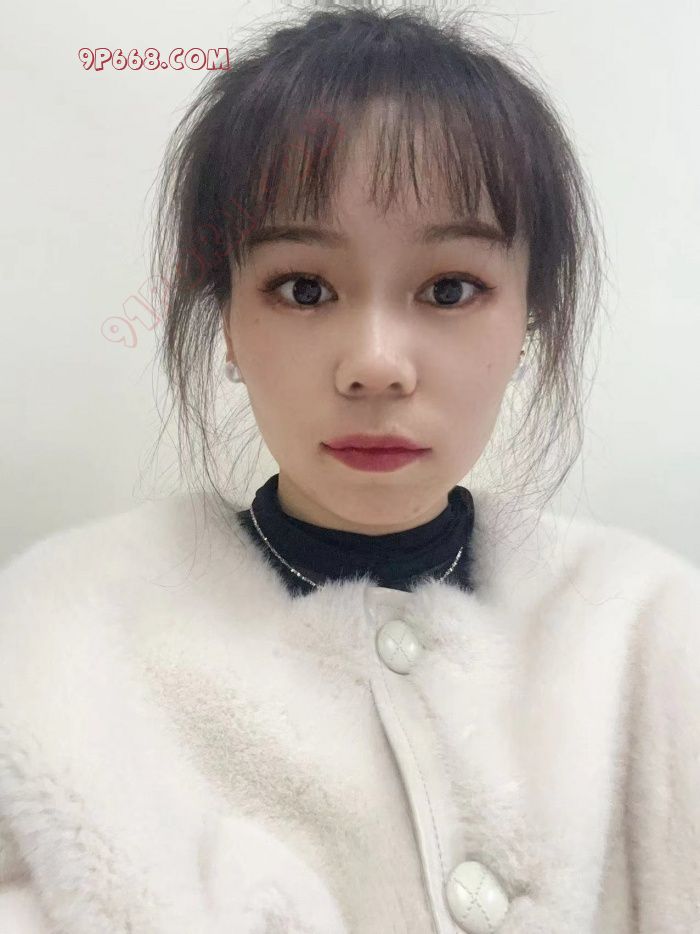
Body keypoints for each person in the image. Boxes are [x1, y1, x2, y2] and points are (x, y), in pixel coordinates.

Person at [1, 2, 698, 932]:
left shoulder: (651, 634)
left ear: (529, 319)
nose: (375, 364)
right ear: (228, 324)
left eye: (450, 288)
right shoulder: (61, 651)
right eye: (304, 288)